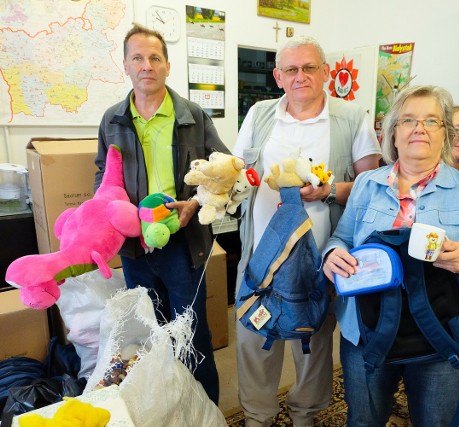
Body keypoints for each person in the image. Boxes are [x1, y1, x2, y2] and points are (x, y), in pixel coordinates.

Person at [322, 85, 459, 426]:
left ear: (444, 135)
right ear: (393, 134)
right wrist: (333, 255)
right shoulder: (366, 183)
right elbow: (340, 238)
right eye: (408, 120)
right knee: (363, 421)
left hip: (441, 334)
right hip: (367, 330)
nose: (419, 128)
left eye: (431, 121)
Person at [232, 35, 381, 427]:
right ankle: (257, 417)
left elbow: (372, 187)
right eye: (292, 69)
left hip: (321, 260)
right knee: (253, 336)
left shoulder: (351, 118)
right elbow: (236, 172)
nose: (301, 76)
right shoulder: (260, 114)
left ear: (326, 72)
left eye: (310, 67)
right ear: (278, 76)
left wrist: (330, 191)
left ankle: (305, 417)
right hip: (261, 258)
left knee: (312, 342)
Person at [94, 23, 228, 404]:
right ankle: (166, 408)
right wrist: (108, 211)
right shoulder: (112, 120)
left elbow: (221, 173)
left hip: (183, 245)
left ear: (167, 65)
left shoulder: (192, 115)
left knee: (192, 336)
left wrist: (195, 204)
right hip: (135, 246)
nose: (146, 65)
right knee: (150, 335)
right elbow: (104, 174)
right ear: (126, 65)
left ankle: (205, 412)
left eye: (155, 58)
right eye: (137, 57)